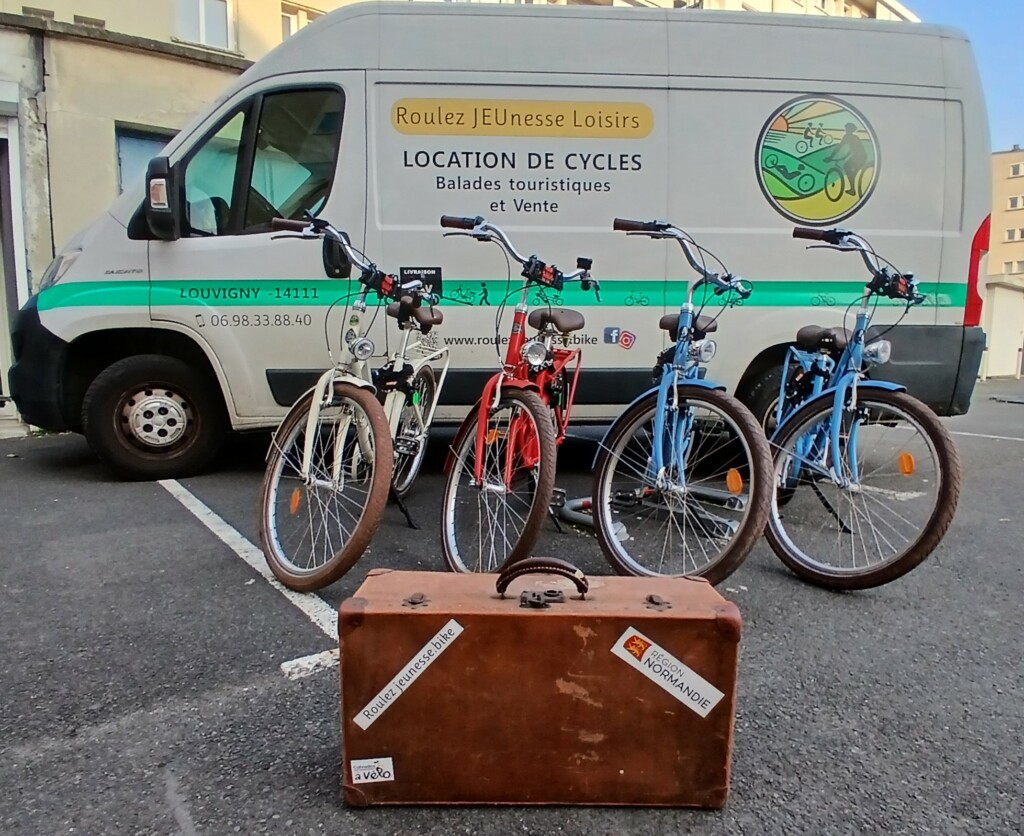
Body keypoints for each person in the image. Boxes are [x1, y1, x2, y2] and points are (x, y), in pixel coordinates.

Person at [825, 122, 868, 197]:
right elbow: (852, 150)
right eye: (846, 129)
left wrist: (831, 157)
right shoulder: (853, 137)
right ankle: (852, 188)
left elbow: (839, 147)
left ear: (850, 130)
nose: (846, 130)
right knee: (851, 172)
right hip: (860, 156)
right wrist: (844, 157)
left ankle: (852, 189)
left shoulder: (848, 137)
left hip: (860, 156)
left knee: (847, 167)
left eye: (847, 129)